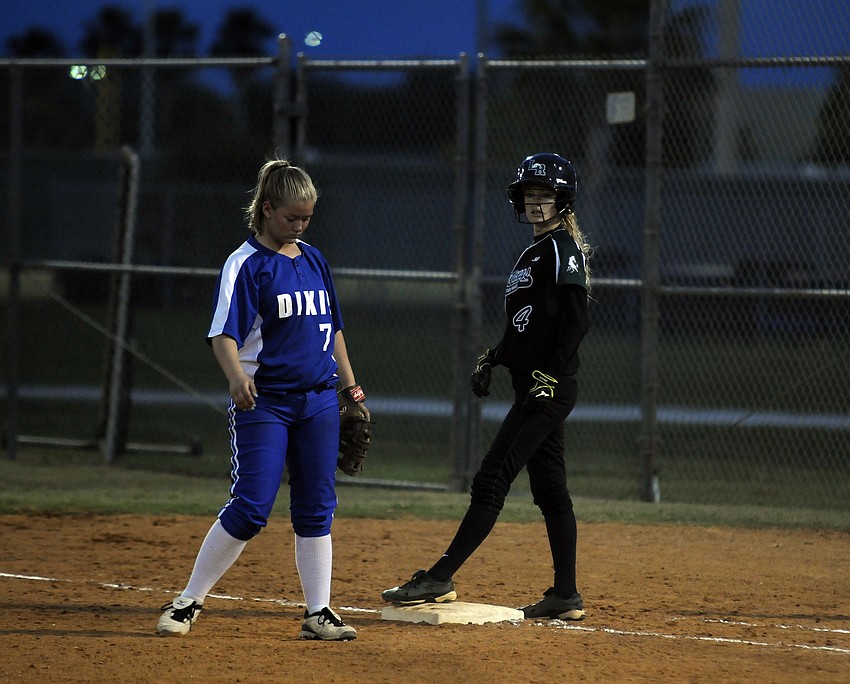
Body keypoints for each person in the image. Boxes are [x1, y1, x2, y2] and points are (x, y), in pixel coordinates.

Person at [157, 158, 369, 641]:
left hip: (318, 401)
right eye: (292, 217)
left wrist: (351, 389)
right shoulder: (245, 264)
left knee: (316, 507)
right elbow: (223, 333)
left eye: (307, 218)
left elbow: (334, 329)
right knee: (252, 506)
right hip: (265, 403)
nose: (300, 226)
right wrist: (236, 377)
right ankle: (188, 600)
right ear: (267, 208)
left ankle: (318, 612)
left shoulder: (313, 260)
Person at [381, 153, 591, 620]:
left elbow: (576, 321)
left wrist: (550, 375)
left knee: (492, 478)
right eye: (529, 193)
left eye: (546, 194)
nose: (536, 201)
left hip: (546, 389)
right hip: (534, 385)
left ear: (563, 200)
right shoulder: (534, 251)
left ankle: (439, 577)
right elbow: (529, 325)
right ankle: (565, 595)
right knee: (550, 490)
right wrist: (495, 356)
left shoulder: (562, 249)